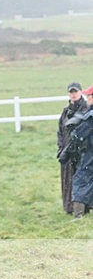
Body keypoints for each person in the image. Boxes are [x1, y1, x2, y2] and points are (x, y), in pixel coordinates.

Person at [59, 85, 93, 218]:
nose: (87, 98)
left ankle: (78, 216)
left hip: (89, 153)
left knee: (80, 180)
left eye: (89, 96)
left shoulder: (90, 116)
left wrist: (67, 151)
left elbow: (78, 135)